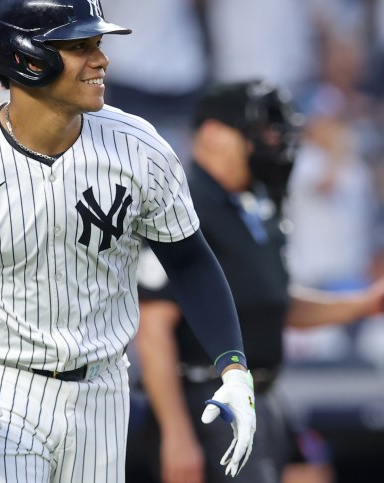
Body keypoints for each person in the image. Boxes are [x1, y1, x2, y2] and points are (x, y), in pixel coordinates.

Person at [0, 1, 257, 481]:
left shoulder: (140, 146)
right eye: (79, 47)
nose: (101, 60)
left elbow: (190, 262)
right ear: (28, 58)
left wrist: (234, 368)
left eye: (97, 45)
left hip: (102, 393)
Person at [134, 80, 384, 483]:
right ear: (213, 135)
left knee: (311, 473)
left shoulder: (257, 204)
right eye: (259, 132)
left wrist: (366, 303)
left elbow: (274, 303)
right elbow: (155, 328)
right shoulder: (180, 205)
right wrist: (177, 435)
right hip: (208, 396)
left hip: (266, 392)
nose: (273, 142)